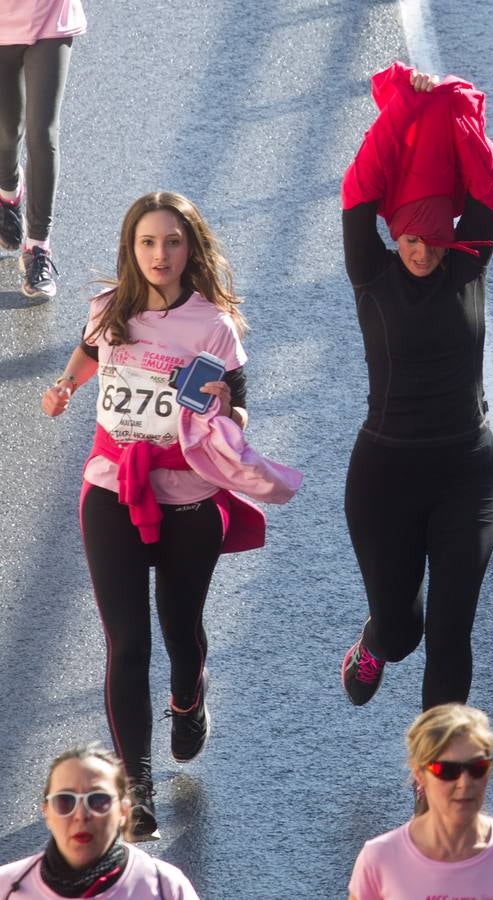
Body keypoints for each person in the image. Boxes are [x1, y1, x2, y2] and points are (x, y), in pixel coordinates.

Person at [41, 191, 301, 842]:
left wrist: (224, 409)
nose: (160, 255)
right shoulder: (109, 309)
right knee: (127, 645)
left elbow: (240, 406)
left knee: (180, 631)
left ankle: (188, 698)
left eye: (172, 242)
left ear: (191, 249)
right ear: (132, 249)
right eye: (148, 243)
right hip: (112, 488)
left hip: (188, 497)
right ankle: (137, 790)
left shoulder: (212, 324)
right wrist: (68, 385)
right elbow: (91, 351)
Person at [340, 63, 493, 710]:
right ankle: (377, 639)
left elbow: (487, 190)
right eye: (410, 236)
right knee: (404, 632)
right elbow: (359, 187)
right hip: (385, 474)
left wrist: (454, 108)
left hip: (468, 469)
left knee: (450, 631)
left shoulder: (468, 267)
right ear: (394, 231)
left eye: (435, 238)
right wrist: (404, 108)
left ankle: (432, 781)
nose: (421, 250)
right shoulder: (370, 274)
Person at [348, 704, 493, 899]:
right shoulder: (379, 859)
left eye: (478, 768)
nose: (465, 783)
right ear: (420, 775)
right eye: (447, 770)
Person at [0, 744, 198, 898]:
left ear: (123, 810)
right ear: (47, 813)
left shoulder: (165, 888)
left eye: (98, 800)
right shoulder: (7, 887)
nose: (81, 815)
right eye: (65, 801)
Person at [0, 0, 86, 299]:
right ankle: (9, 191)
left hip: (51, 18)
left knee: (43, 134)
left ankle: (38, 247)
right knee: (7, 130)